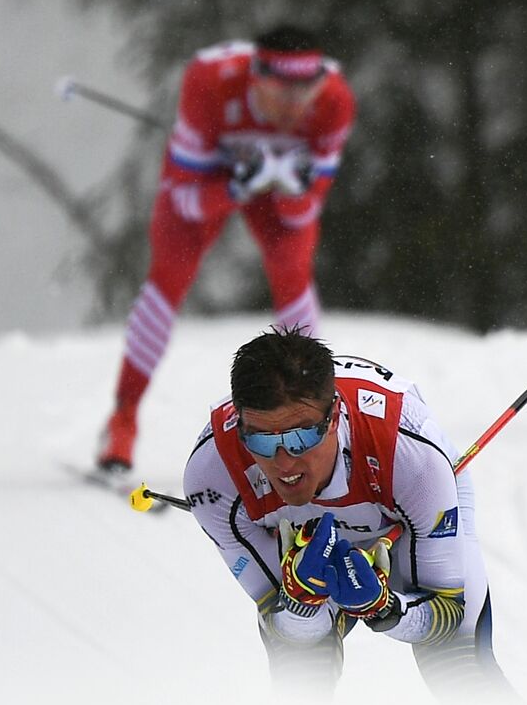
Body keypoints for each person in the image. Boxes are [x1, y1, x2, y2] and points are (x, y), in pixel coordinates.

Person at [182, 328, 507, 697]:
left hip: (400, 511)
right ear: (240, 425)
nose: (284, 462)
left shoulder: (413, 459)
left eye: (301, 437)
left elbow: (446, 614)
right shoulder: (213, 476)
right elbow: (282, 625)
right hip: (325, 523)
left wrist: (383, 607)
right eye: (260, 440)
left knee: (458, 670)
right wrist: (301, 602)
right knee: (301, 677)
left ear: (334, 417)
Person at [97, 24, 356, 472]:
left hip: (271, 188)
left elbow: (301, 216)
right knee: (168, 279)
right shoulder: (210, 83)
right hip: (213, 179)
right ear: (256, 77)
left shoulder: (334, 103)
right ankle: (123, 419)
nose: (295, 105)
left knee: (293, 274)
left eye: (305, 91)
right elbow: (184, 201)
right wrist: (238, 183)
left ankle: (322, 420)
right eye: (282, 91)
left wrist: (292, 187)